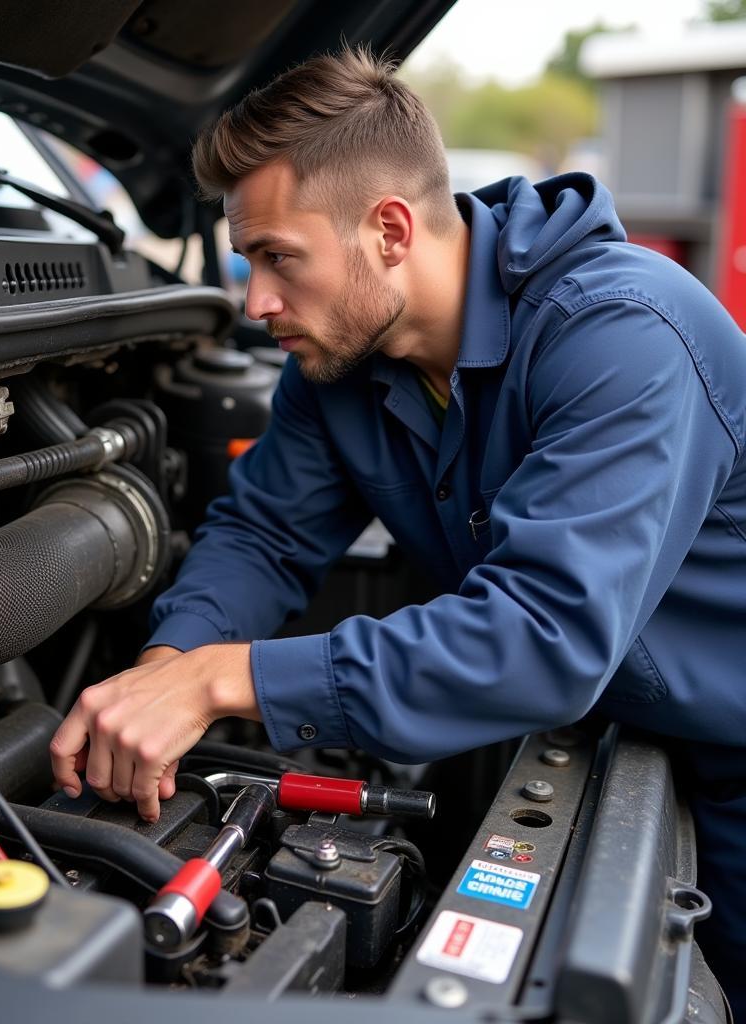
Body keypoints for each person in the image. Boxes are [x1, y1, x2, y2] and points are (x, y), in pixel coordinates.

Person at [50, 48, 746, 1012]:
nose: (255, 302)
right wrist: (166, 668)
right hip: (601, 723)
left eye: (278, 257)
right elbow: (264, 537)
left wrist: (222, 680)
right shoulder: (336, 368)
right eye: (249, 262)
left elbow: (541, 637)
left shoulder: (622, 334)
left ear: (388, 229)